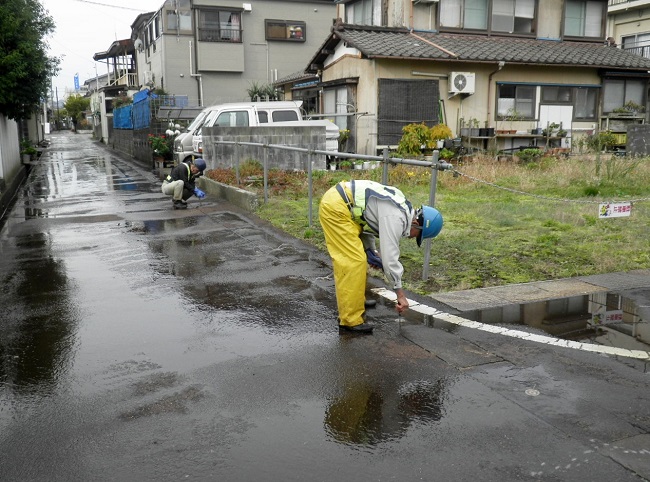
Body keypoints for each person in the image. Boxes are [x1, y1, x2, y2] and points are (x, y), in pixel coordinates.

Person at [319, 180, 443, 334]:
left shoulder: (401, 208)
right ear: (417, 223)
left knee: (360, 259)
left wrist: (371, 251)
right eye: (418, 235)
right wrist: (400, 295)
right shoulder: (396, 218)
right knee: (353, 262)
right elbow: (391, 259)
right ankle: (350, 320)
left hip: (345, 206)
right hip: (336, 208)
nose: (412, 238)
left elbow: (367, 222)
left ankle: (356, 303)